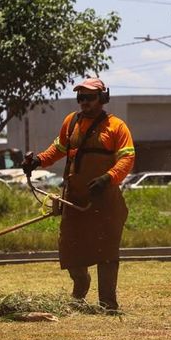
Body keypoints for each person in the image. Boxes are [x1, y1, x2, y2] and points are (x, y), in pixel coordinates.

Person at [22, 78, 135, 309]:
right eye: (80, 97)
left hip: (105, 201)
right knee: (70, 248)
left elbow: (127, 158)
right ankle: (80, 287)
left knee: (107, 252)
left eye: (89, 97)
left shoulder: (117, 127)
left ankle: (107, 303)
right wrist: (38, 161)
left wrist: (108, 178)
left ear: (103, 98)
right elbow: (59, 149)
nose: (84, 102)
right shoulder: (71, 122)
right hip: (74, 200)